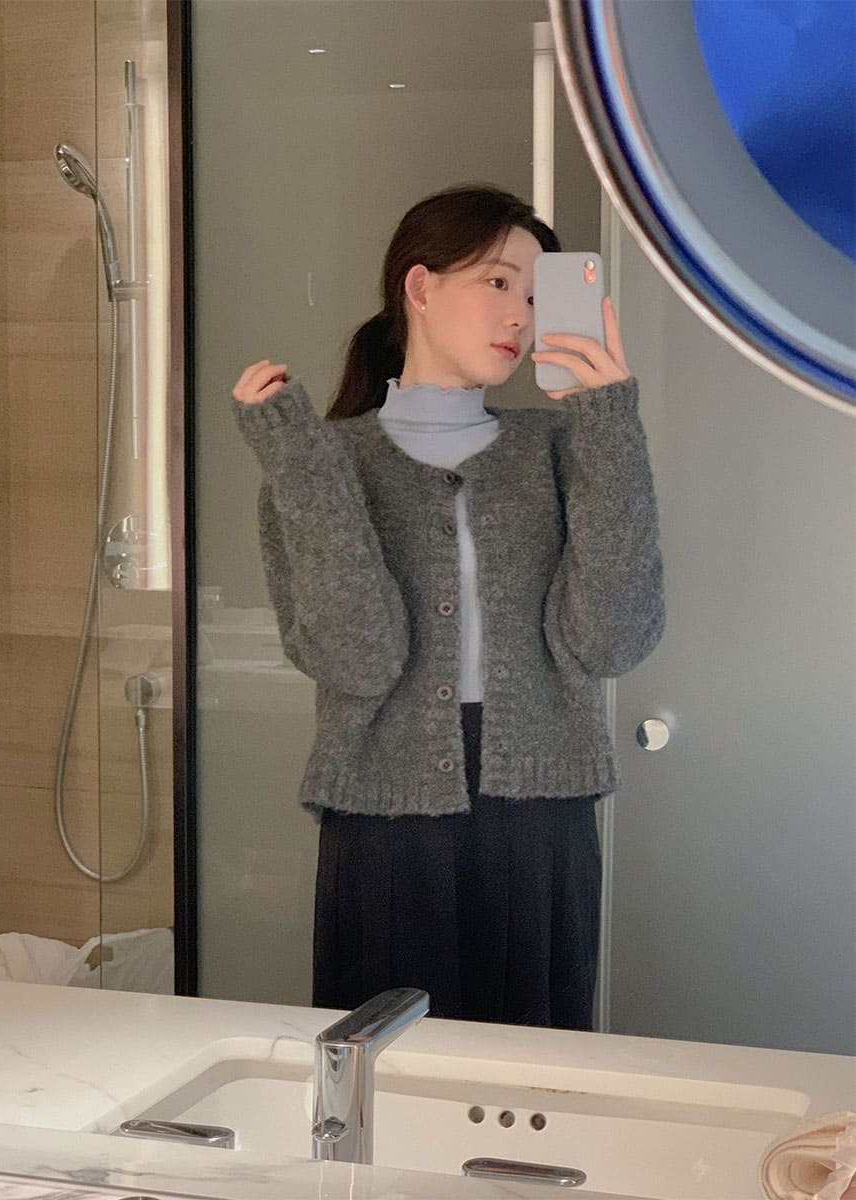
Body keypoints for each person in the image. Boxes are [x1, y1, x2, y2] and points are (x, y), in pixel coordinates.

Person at [232, 184, 664, 1029]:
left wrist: (611, 427)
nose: (520, 316)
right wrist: (302, 461)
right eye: (498, 282)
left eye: (535, 296)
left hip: (542, 814)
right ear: (419, 287)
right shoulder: (323, 463)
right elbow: (361, 658)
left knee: (536, 1081)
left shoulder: (560, 448)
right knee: (389, 1079)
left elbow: (611, 640)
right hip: (384, 818)